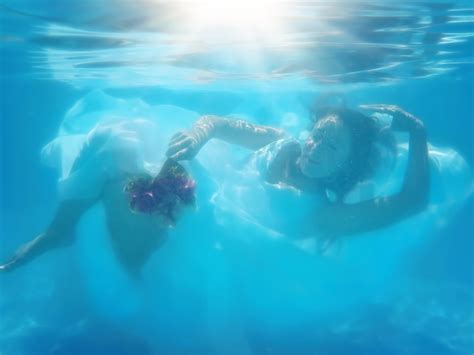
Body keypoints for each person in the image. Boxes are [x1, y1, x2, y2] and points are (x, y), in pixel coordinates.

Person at [166, 104, 430, 242]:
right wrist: (195, 137)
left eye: (333, 146)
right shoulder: (281, 142)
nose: (315, 149)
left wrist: (418, 132)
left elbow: (412, 202)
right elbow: (216, 122)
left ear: (347, 165)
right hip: (204, 206)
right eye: (317, 135)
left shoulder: (324, 215)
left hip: (219, 239)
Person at [0, 120, 196, 278]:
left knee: (119, 167)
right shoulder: (113, 160)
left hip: (135, 159)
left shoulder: (166, 174)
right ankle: (61, 230)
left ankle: (61, 230)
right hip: (115, 155)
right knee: (115, 160)